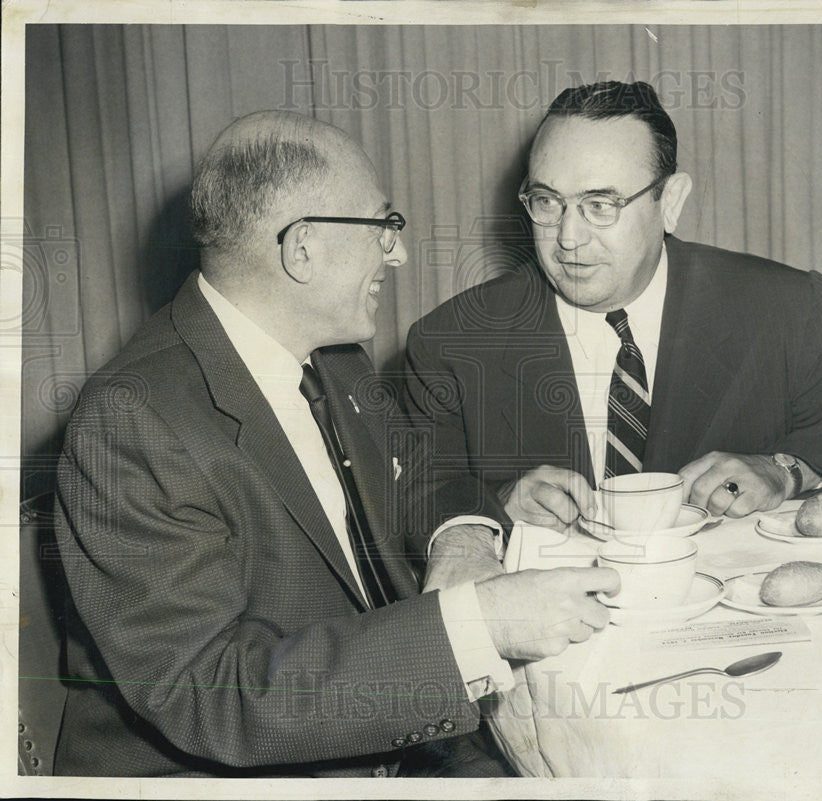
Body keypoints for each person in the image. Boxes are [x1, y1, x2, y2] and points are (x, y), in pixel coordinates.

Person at [52, 110, 618, 777]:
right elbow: (213, 697)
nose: (398, 252)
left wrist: (462, 538)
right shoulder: (130, 422)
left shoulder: (334, 355)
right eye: (383, 226)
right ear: (303, 249)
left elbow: (421, 470)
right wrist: (480, 623)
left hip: (384, 734)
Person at [404, 81, 822, 529]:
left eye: (600, 205)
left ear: (671, 202)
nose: (567, 237)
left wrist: (786, 469)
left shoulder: (779, 305)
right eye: (547, 202)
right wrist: (495, 508)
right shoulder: (451, 340)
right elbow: (407, 501)